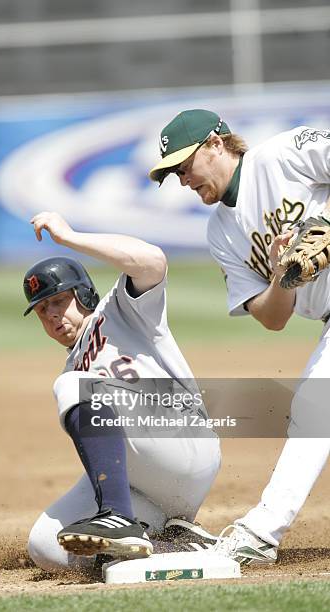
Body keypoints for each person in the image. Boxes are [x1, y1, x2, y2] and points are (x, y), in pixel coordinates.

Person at [149, 109, 330, 565]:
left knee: (314, 407)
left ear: (216, 143)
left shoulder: (281, 156)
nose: (183, 180)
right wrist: (280, 275)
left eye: (185, 166)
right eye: (174, 173)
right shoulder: (221, 233)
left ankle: (263, 531)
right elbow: (273, 319)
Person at [24, 211, 221, 571]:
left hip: (183, 439)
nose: (51, 315)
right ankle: (179, 546)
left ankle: (116, 516)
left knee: (72, 385)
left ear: (83, 293)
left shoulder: (121, 308)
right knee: (45, 547)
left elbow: (153, 260)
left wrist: (69, 237)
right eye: (41, 310)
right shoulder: (72, 366)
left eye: (58, 301)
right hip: (146, 483)